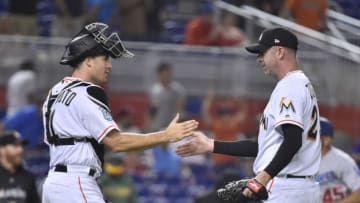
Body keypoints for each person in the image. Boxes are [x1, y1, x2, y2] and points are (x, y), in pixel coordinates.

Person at [41, 22, 198, 203]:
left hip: (53, 183)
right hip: (76, 181)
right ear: (88, 61)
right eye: (105, 59)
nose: (109, 65)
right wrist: (166, 135)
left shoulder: (55, 92)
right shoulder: (88, 92)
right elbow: (116, 142)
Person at [177, 27, 321, 202]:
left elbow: (293, 141)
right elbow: (262, 146)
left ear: (280, 52)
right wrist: (211, 145)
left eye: (262, 52)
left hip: (286, 187)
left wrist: (261, 179)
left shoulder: (290, 85)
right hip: (295, 185)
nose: (259, 58)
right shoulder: (298, 83)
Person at [316, 117, 360, 203]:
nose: (308, 140)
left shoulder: (343, 160)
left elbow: (358, 194)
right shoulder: (300, 159)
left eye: (314, 136)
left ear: (326, 140)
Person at [0, 131, 40, 203]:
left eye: (21, 146)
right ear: (2, 149)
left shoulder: (28, 177)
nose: (20, 150)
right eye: (15, 146)